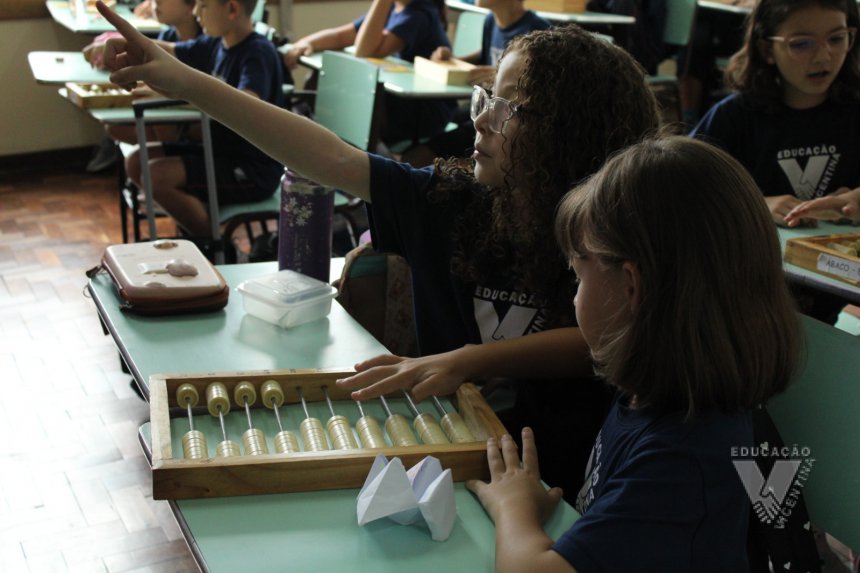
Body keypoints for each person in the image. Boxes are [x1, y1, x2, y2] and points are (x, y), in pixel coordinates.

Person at [95, 1, 660, 495]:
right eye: (486, 98)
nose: (482, 120)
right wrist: (186, 83)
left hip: (563, 484)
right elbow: (330, 156)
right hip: (449, 466)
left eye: (508, 108)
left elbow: (610, 338)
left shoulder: (608, 235)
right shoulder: (451, 202)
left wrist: (469, 360)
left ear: (565, 132)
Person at [466, 136, 804, 572]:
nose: (574, 297)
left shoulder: (682, 460)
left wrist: (513, 506)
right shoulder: (658, 392)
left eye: (578, 276)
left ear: (630, 286)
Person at [691, 0, 860, 324]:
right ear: (768, 49)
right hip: (737, 299)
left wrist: (855, 200)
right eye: (802, 43)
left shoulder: (854, 112)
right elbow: (683, 192)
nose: (823, 56)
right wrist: (757, 204)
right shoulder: (734, 116)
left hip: (825, 298)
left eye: (837, 38)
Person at [120, 0, 287, 237]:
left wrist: (179, 93)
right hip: (218, 151)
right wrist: (123, 46)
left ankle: (215, 245)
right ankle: (197, 227)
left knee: (158, 175)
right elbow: (170, 50)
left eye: (204, 6)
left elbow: (246, 102)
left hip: (253, 168)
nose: (196, 12)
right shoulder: (216, 43)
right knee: (136, 161)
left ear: (232, 9)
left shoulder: (258, 52)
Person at [280, 0, 455, 145]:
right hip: (393, 99)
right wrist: (307, 43)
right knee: (318, 81)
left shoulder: (420, 13)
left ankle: (353, 155)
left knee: (349, 97)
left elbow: (365, 50)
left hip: (424, 108)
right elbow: (342, 36)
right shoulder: (395, 8)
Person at [400, 0, 550, 167]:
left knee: (419, 157)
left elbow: (541, 89)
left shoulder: (537, 31)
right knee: (416, 150)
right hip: (483, 112)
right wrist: (452, 59)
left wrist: (500, 74)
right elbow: (483, 58)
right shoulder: (490, 21)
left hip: (504, 126)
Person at [81, 0, 203, 172]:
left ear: (191, 6)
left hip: (197, 128)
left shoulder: (206, 44)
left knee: (160, 125)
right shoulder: (168, 36)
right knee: (115, 127)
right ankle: (158, 164)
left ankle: (164, 165)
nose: (155, 2)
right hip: (177, 121)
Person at [676, 0, 753, 127]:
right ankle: (689, 117)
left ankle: (694, 117)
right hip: (709, 21)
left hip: (741, 26)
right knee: (695, 39)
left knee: (699, 39)